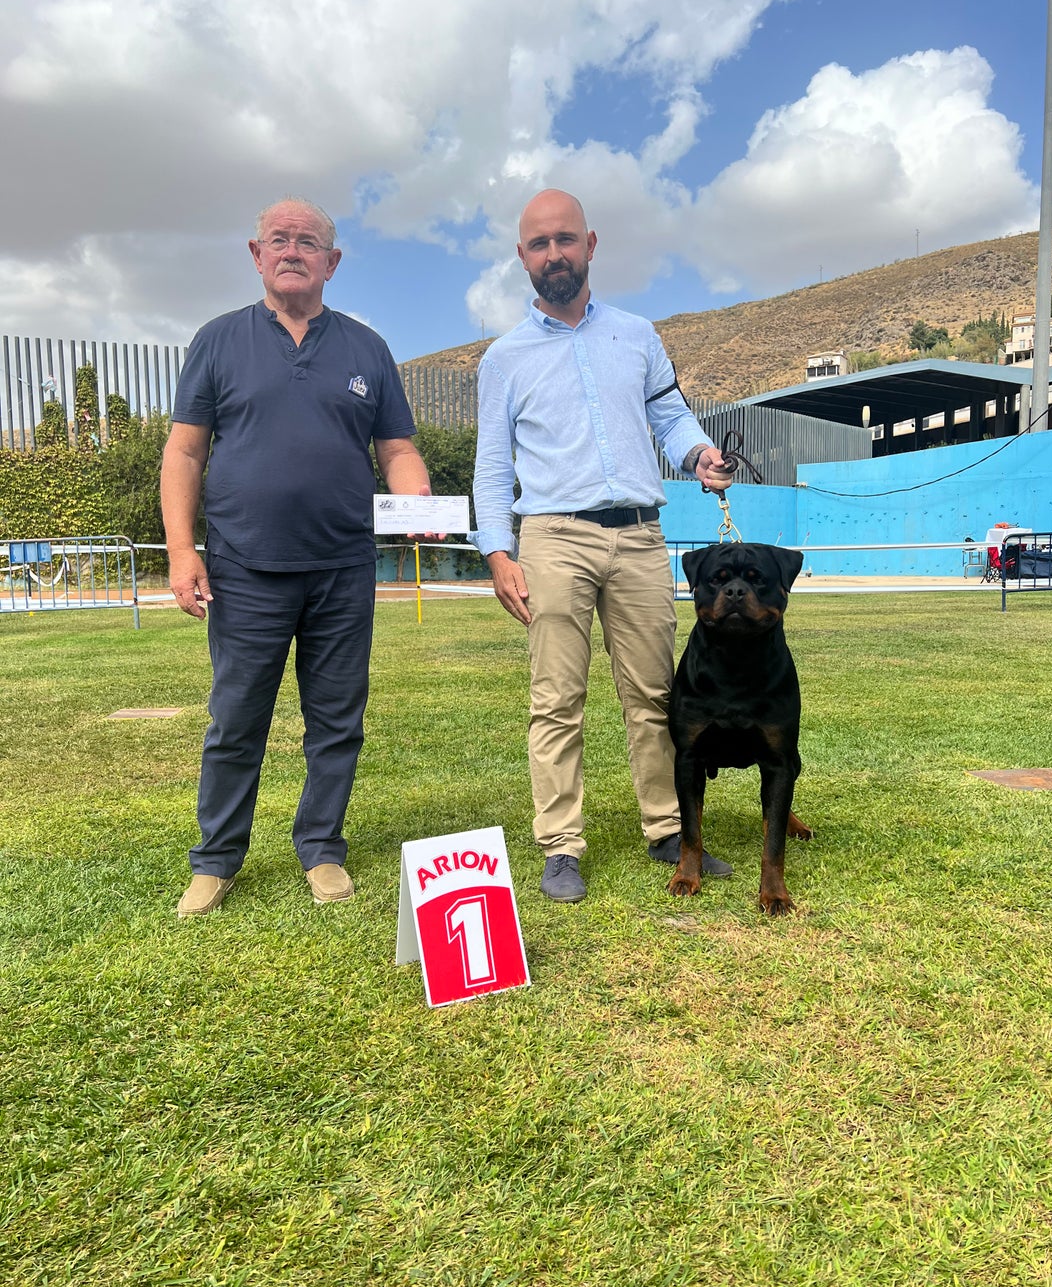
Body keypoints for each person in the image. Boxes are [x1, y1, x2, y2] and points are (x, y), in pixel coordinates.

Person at [161, 197, 433, 917]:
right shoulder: (218, 340)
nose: (292, 250)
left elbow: (397, 447)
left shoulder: (366, 349)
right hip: (243, 566)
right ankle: (216, 860)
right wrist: (182, 550)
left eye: (307, 242)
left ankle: (322, 849)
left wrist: (415, 505)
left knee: (337, 719)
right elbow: (186, 450)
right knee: (236, 718)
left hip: (342, 566)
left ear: (331, 262)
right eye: (278, 239)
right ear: (256, 254)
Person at [471, 188, 735, 903]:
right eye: (538, 244)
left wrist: (698, 457)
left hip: (641, 537)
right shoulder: (503, 358)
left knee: (653, 692)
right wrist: (499, 552)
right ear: (522, 257)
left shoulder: (638, 336)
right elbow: (492, 467)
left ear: (591, 244)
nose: (552, 253)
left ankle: (667, 830)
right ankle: (561, 846)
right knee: (557, 698)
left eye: (564, 239)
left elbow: (671, 418)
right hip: (552, 537)